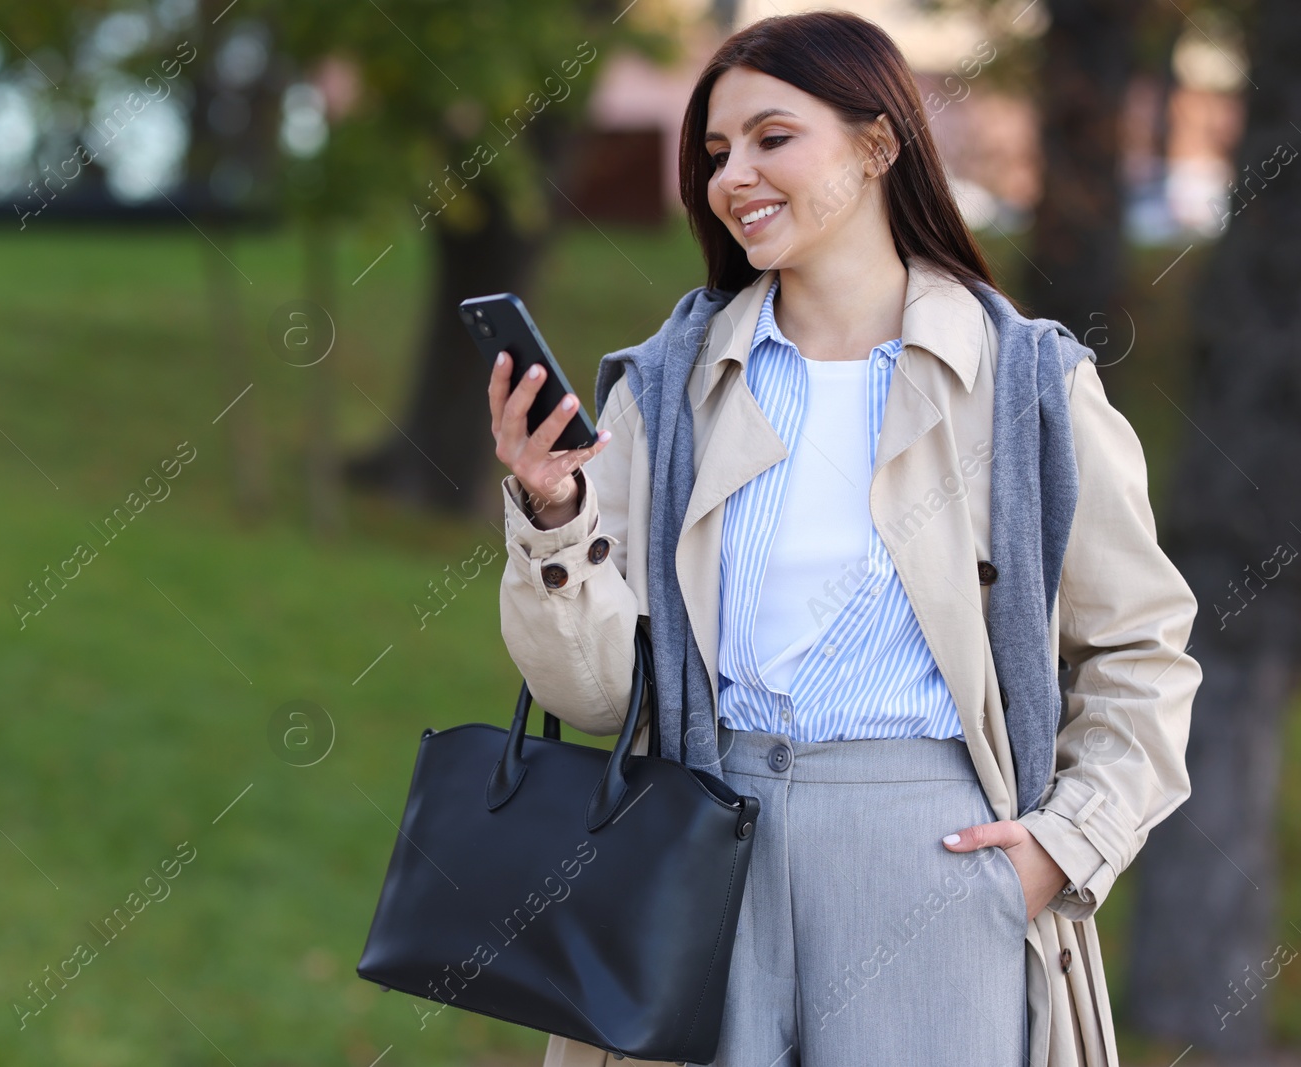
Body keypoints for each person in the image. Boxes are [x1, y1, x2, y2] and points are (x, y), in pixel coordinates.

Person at [488, 11, 1200, 1067]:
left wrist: (1059, 847)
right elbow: (591, 698)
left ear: (878, 144)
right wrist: (553, 515)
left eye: (773, 138)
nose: (734, 176)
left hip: (932, 858)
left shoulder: (1028, 387)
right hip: (697, 840)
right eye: (717, 152)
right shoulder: (664, 388)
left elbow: (1139, 651)